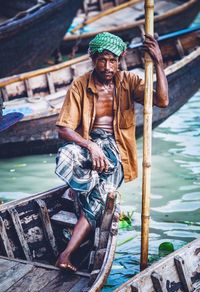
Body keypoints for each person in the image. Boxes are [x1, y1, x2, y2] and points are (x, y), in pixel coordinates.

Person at [55, 32, 169, 271]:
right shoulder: (80, 84)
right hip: (89, 145)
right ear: (93, 59)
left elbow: (162, 100)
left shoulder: (129, 81)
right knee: (66, 155)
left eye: (113, 61)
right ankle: (80, 186)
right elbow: (64, 129)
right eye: (103, 60)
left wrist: (158, 62)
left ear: (121, 59)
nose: (108, 67)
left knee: (98, 201)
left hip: (115, 151)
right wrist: (91, 146)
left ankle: (66, 254)